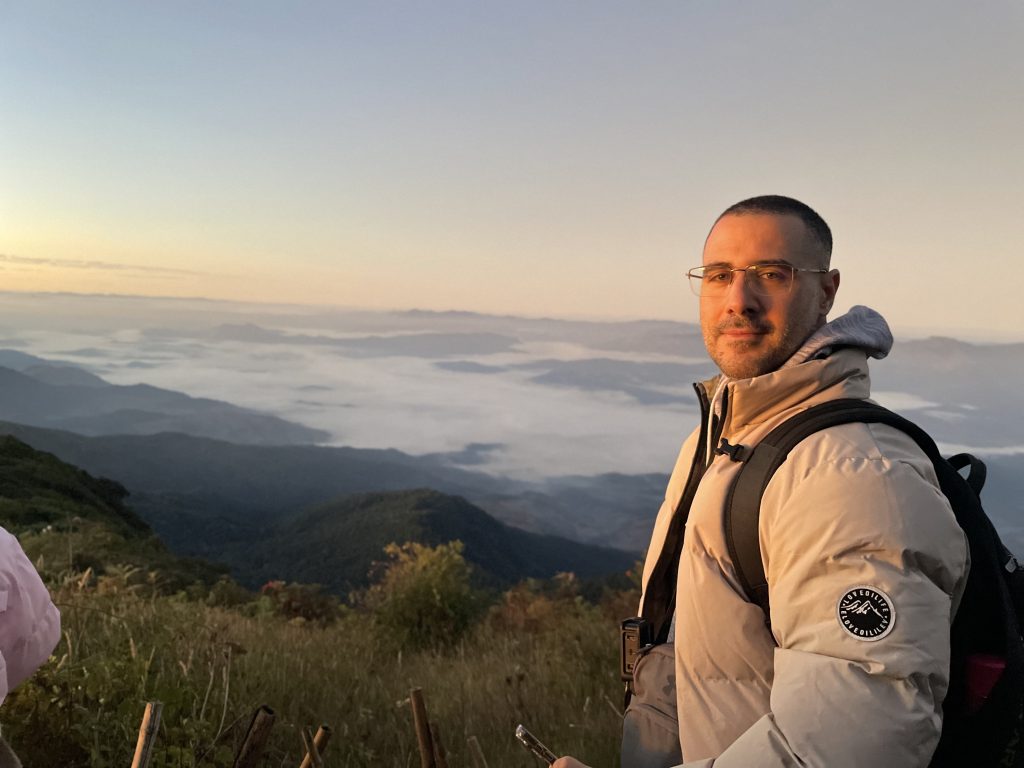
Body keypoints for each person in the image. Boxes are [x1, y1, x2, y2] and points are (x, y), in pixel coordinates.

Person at [554, 195, 968, 768]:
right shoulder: (730, 430)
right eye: (719, 275)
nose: (738, 300)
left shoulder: (851, 476)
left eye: (771, 275)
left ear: (827, 290)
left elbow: (852, 745)